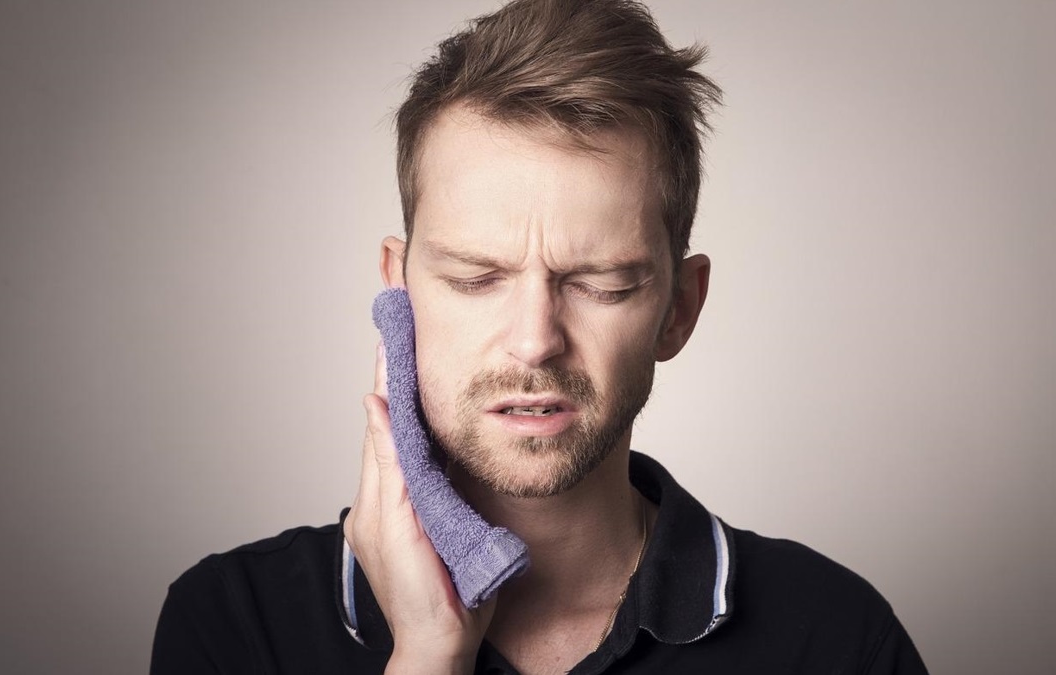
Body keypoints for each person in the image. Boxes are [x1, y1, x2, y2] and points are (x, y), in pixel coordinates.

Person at [151, 0, 928, 672]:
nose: (533, 342)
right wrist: (426, 656)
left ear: (679, 308)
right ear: (398, 288)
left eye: (601, 284)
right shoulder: (234, 625)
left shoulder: (834, 637)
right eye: (474, 277)